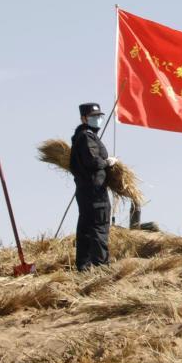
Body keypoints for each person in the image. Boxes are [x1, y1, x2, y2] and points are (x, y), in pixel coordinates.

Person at [70, 103, 117, 271]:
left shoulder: (82, 136)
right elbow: (92, 161)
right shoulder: (86, 137)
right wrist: (107, 162)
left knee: (86, 228)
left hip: (85, 190)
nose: (98, 119)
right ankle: (102, 267)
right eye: (93, 116)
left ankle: (84, 267)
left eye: (99, 116)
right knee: (99, 226)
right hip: (94, 190)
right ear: (84, 118)